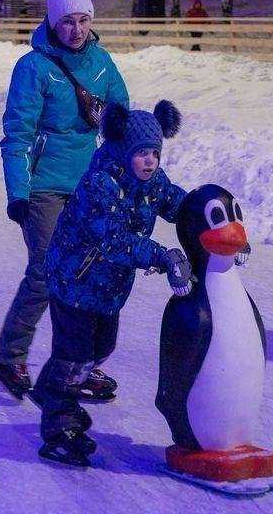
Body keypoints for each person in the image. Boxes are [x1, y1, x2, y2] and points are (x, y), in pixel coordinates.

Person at [32, 100, 189, 466]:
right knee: (75, 356)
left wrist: (208, 213)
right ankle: (59, 430)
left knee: (102, 346)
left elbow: (175, 203)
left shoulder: (151, 182)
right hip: (74, 280)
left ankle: (49, 388)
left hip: (107, 288)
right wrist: (163, 256)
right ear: (123, 149)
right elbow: (114, 241)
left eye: (155, 153)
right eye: (141, 153)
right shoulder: (100, 184)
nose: (150, 161)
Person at [0, 0, 130, 401]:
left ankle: (78, 364)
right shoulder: (33, 67)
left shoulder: (102, 63)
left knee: (89, 274)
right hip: (44, 187)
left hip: (88, 187)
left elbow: (120, 126)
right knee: (47, 272)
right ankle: (11, 355)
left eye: (84, 20)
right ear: (53, 22)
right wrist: (18, 192)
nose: (77, 30)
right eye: (68, 22)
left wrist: (124, 178)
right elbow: (17, 135)